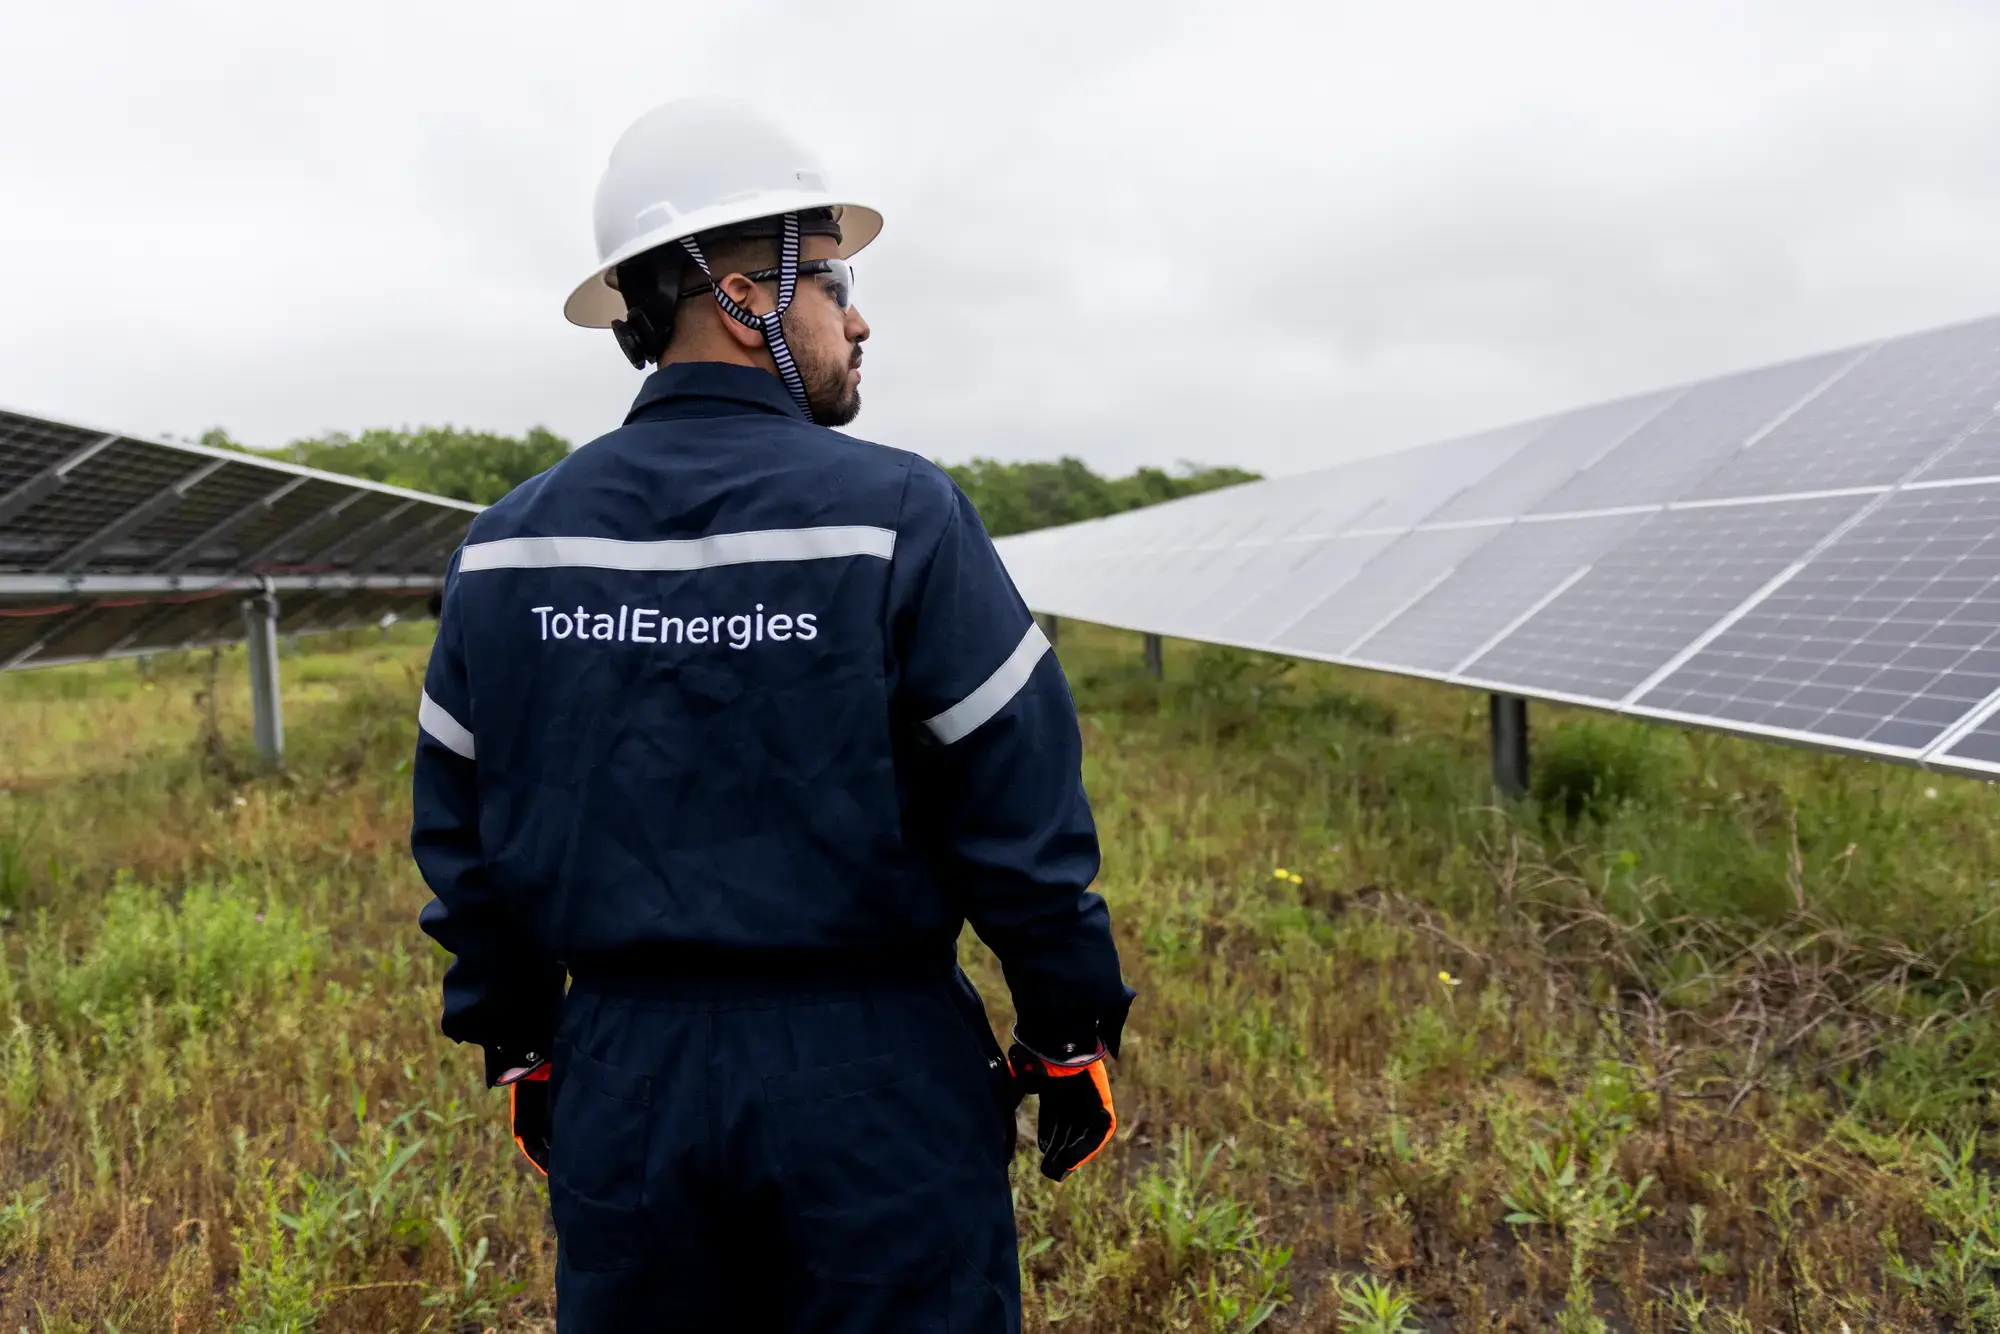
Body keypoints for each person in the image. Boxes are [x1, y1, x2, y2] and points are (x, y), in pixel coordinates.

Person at [410, 97, 1134, 1332]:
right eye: (834, 281)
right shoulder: (900, 515)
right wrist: (1066, 1027)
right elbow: (1017, 812)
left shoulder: (508, 548)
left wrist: (524, 1044)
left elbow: (463, 839)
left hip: (621, 1084)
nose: (856, 318)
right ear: (746, 297)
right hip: (872, 1078)